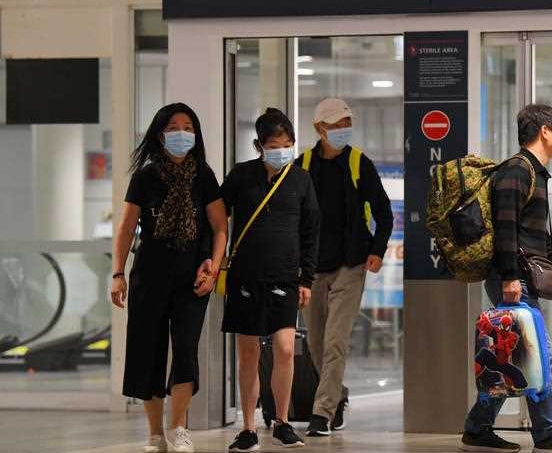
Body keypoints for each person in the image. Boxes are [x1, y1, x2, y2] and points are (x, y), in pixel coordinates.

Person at [460, 104, 552, 453]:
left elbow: (540, 240)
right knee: (537, 355)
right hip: (514, 279)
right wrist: (508, 277)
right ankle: (547, 434)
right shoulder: (516, 173)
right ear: (544, 131)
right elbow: (506, 231)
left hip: (521, 276)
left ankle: (478, 427)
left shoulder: (534, 173)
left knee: (521, 356)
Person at [111, 103, 228, 453]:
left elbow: (220, 227)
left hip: (193, 274)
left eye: (188, 127)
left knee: (186, 348)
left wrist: (215, 267)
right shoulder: (145, 177)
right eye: (174, 127)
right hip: (150, 271)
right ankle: (154, 433)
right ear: (160, 134)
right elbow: (127, 228)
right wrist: (118, 274)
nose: (182, 133)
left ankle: (179, 428)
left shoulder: (203, 175)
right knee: (148, 349)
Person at [222, 108, 320, 451]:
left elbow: (311, 231)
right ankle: (248, 428)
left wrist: (307, 278)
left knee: (285, 347)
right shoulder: (241, 176)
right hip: (245, 277)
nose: (283, 151)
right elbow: (217, 215)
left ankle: (281, 421)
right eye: (275, 145)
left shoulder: (301, 179)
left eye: (288, 144)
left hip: (285, 277)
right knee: (248, 352)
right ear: (259, 145)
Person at [296, 98, 394, 437]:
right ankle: (338, 397)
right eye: (336, 125)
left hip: (350, 266)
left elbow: (383, 212)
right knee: (316, 344)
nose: (342, 131)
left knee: (335, 341)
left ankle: (321, 413)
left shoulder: (358, 163)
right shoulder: (302, 166)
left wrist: (378, 250)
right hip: (311, 269)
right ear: (319, 129)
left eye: (346, 124)